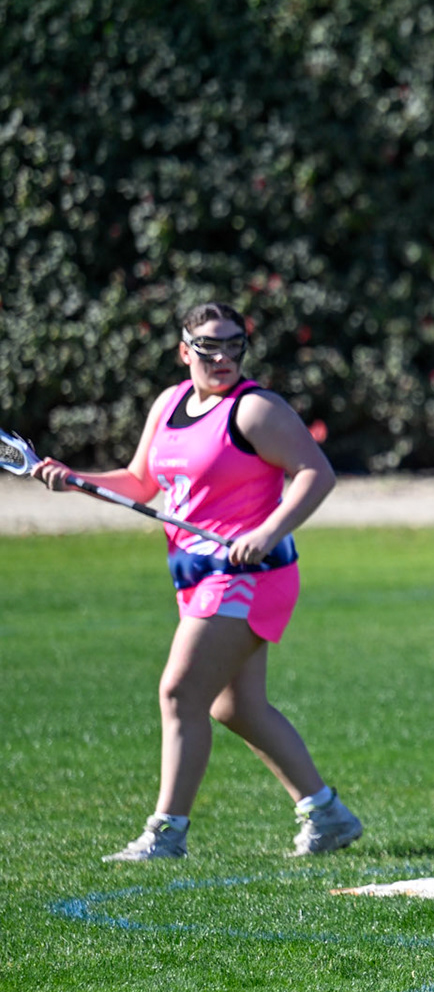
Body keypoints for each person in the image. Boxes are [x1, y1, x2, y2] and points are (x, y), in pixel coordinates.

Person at [29, 302, 359, 860]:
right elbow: (139, 483)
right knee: (237, 707)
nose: (223, 357)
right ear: (185, 351)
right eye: (209, 347)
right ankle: (327, 814)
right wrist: (74, 479)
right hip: (195, 575)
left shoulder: (254, 410)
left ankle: (167, 833)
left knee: (179, 691)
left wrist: (268, 530)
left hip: (247, 574)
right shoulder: (169, 405)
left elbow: (316, 473)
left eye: (234, 345)